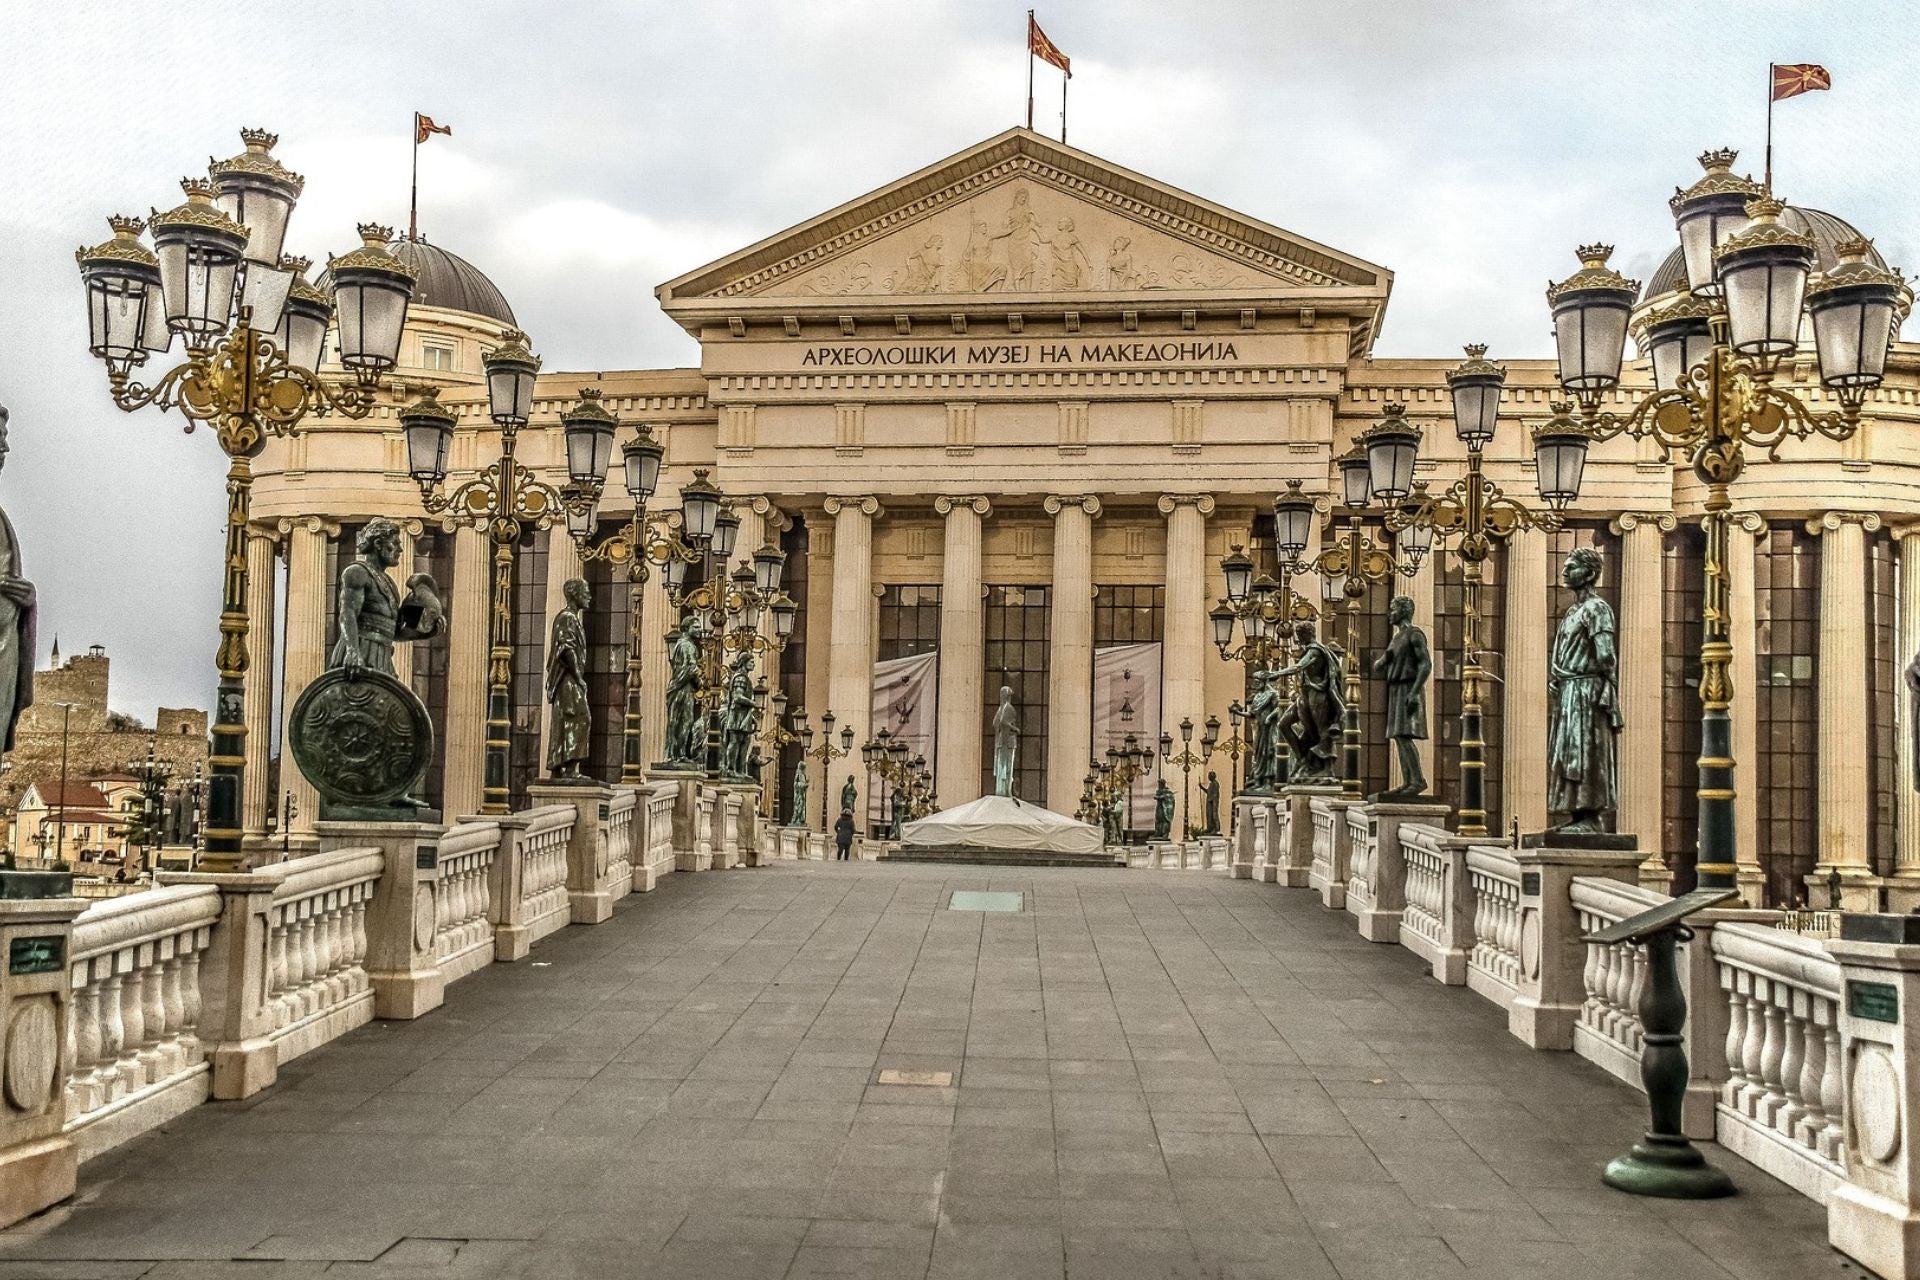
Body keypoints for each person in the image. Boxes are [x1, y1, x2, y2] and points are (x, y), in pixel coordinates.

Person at [1548, 547, 1623, 832]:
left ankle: (1591, 817)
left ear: (1590, 574)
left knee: (1586, 751)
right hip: (1570, 688)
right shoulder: (1573, 611)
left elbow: (1605, 654)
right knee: (1568, 752)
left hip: (1585, 690)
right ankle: (1578, 815)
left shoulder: (1597, 608)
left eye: (1572, 567)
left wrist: (1601, 680)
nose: (1565, 571)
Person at [330, 519, 444, 674]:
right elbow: (347, 613)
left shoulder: (390, 584)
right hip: (361, 649)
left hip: (382, 655)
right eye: (395, 544)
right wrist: (352, 651)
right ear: (378, 544)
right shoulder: (356, 572)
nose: (400, 549)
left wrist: (426, 631)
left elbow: (395, 631)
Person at [0, 407, 36, 758]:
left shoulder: (1, 519)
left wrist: (28, 600)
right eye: (0, 439)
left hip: (4, 652)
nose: (5, 448)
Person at [1372, 596, 1431, 797]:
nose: (1390, 614)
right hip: (1397, 689)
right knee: (1398, 736)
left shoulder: (1415, 635)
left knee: (1404, 736)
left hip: (1408, 688)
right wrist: (1379, 663)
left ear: (1404, 611)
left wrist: (1414, 693)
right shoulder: (1396, 639)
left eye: (1393, 609)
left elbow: (1425, 665)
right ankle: (1409, 781)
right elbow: (1384, 661)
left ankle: (1417, 780)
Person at [1274, 620, 1345, 782]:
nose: (1298, 640)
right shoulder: (1308, 650)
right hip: (1305, 695)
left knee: (1322, 731)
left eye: (1300, 636)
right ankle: (1303, 759)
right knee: (1283, 724)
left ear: (1307, 634)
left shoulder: (1315, 651)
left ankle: (1327, 769)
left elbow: (1298, 667)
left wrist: (1273, 675)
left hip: (1318, 695)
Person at [544, 578, 591, 779]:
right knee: (580, 718)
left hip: (568, 678)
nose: (589, 596)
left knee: (565, 719)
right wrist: (579, 677)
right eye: (586, 592)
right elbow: (566, 648)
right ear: (575, 594)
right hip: (568, 678)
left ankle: (559, 767)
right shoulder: (567, 618)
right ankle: (568, 768)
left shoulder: (570, 618)